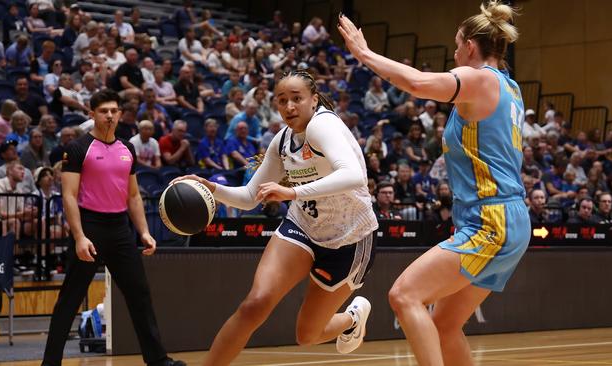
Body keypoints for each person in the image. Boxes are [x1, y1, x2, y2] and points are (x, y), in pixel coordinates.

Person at [339, 2, 530, 365]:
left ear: (471, 46)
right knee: (443, 323)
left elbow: (416, 83)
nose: (454, 52)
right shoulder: (510, 89)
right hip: (506, 218)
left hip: (491, 219)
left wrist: (364, 54)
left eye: (457, 45)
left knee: (404, 295)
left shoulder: (480, 79)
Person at [171, 69, 378, 365]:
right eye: (282, 100)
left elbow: (354, 176)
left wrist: (293, 193)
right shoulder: (282, 141)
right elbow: (248, 197)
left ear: (313, 100)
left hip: (348, 238)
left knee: (307, 336)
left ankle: (351, 319)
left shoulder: (323, 125)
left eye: (297, 99)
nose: (289, 107)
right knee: (254, 304)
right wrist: (212, 188)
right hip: (303, 226)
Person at [40, 90, 185, 366]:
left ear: (120, 114)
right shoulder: (78, 148)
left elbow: (132, 196)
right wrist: (80, 237)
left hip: (119, 229)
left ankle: (157, 360)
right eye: (103, 110)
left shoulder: (127, 148)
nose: (109, 115)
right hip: (90, 227)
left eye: (113, 110)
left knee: (139, 294)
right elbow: (69, 195)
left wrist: (143, 231)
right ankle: (50, 363)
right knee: (69, 300)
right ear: (91, 114)